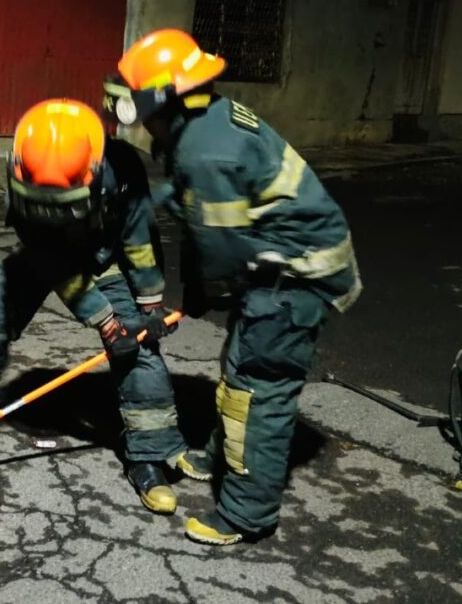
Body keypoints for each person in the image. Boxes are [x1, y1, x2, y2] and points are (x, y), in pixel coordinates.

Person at [114, 28, 362, 545]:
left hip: (295, 277)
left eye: (144, 111)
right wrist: (195, 291)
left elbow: (221, 252)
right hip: (273, 263)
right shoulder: (208, 120)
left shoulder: (206, 152)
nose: (143, 125)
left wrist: (196, 297)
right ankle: (219, 455)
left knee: (257, 390)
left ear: (165, 101)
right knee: (238, 368)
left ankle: (245, 516)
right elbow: (199, 217)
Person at [0, 98, 211, 515]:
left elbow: (139, 239)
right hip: (45, 257)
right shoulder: (25, 165)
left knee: (138, 347)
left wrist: (148, 305)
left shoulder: (123, 168)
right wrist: (102, 318)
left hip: (101, 258)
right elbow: (50, 261)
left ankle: (150, 454)